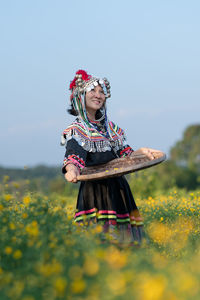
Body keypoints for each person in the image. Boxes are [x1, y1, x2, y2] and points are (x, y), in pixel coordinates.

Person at [61, 69, 156, 245]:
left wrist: (141, 152)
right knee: (99, 245)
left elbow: (125, 154)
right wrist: (71, 170)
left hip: (119, 190)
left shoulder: (110, 128)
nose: (99, 95)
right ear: (80, 95)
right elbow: (74, 157)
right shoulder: (78, 130)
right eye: (93, 91)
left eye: (102, 92)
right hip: (95, 192)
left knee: (127, 245)